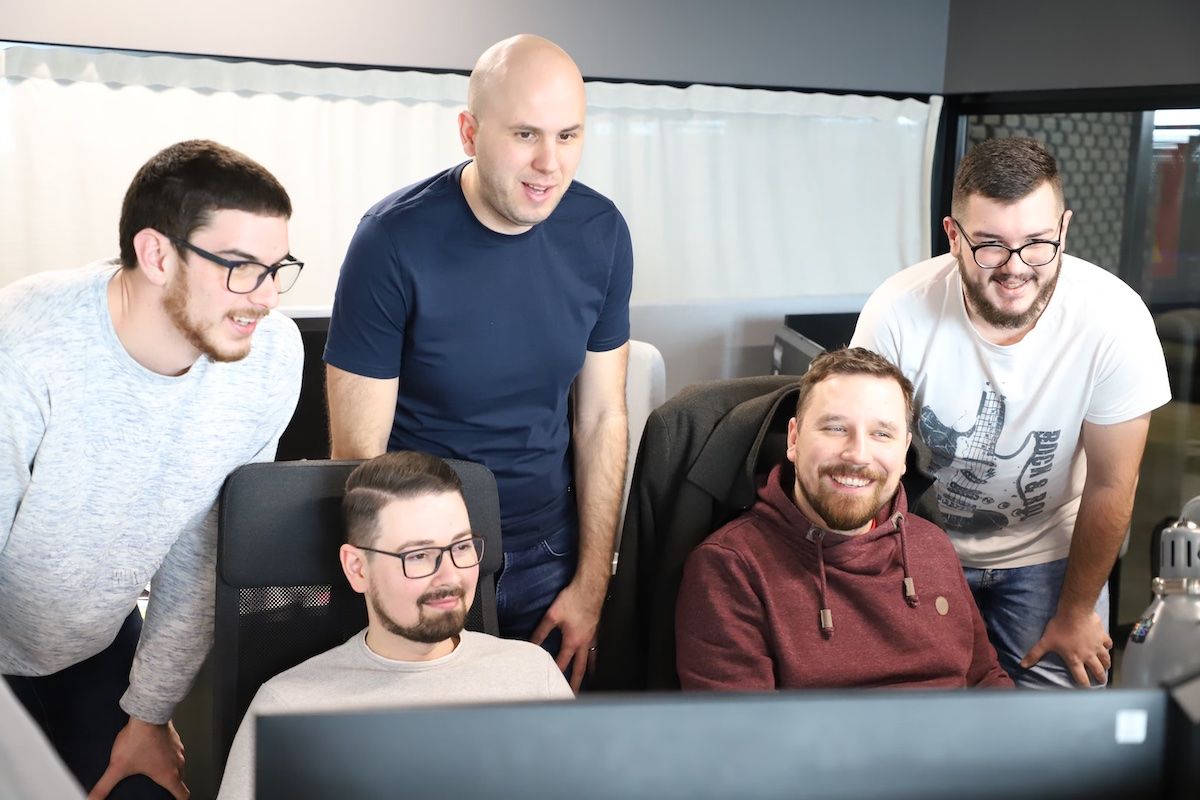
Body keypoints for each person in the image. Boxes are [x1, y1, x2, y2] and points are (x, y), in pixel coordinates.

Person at [324, 34, 633, 690]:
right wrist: (403, 574)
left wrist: (592, 580)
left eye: (569, 136)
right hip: (424, 552)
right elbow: (358, 453)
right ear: (470, 131)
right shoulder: (392, 240)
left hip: (547, 548)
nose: (550, 164)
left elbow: (604, 417)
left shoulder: (601, 232)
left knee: (536, 759)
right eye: (525, 134)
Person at [0, 139, 305, 799]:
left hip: (97, 643)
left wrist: (149, 713)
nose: (267, 298)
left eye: (278, 268)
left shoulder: (270, 357)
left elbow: (203, 552)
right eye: (241, 267)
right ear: (157, 253)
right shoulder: (26, 342)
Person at [851, 137, 1170, 688]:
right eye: (991, 245)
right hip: (921, 546)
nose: (1015, 268)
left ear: (1064, 230)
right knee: (914, 722)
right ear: (953, 236)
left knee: (1054, 750)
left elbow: (1112, 485)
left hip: (1053, 552)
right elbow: (869, 467)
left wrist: (1076, 612)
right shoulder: (897, 312)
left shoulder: (1116, 319)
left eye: (1038, 243)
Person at [216, 451, 573, 800]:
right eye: (418, 556)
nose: (450, 576)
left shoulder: (531, 675)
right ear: (357, 568)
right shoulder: (289, 709)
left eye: (461, 547)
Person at [675, 348, 1011, 690]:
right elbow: (742, 736)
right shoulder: (731, 568)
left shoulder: (931, 544)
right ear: (794, 439)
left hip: (959, 742)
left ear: (905, 451)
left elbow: (985, 680)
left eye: (882, 434)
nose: (858, 455)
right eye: (836, 428)